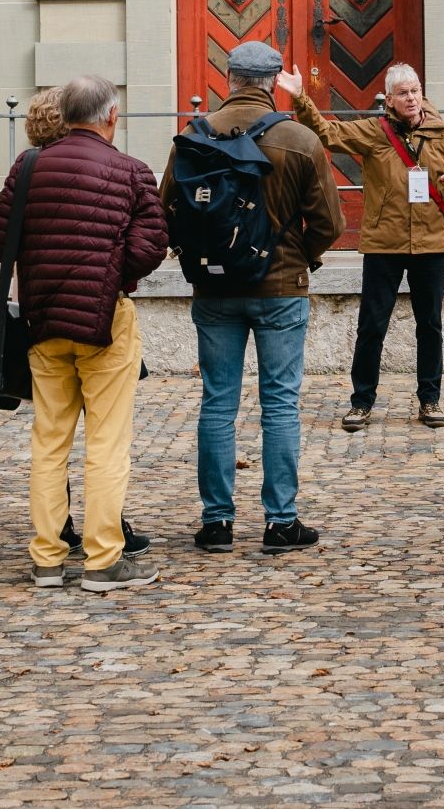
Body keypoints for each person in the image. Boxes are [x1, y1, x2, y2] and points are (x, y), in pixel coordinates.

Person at [0, 75, 169, 592]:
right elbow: (152, 244)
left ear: (65, 115)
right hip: (104, 318)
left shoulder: (28, 166)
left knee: (49, 439)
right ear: (111, 116)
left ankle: (47, 558)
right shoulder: (132, 171)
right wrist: (112, 273)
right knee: (107, 443)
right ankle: (102, 560)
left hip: (43, 317)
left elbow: (1, 237)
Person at [162, 41, 343, 557]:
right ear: (272, 83)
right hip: (281, 288)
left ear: (228, 78)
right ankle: (280, 522)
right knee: (280, 404)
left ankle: (217, 521)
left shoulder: (191, 137)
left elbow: (166, 211)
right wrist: (297, 257)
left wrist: (194, 258)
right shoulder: (300, 140)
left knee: (217, 402)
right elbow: (331, 223)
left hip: (214, 289)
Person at [277, 61, 444, 431]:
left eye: (416, 90)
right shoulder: (374, 131)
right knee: (372, 326)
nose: (413, 98)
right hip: (384, 244)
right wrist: (301, 97)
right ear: (390, 100)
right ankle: (361, 402)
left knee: (430, 325)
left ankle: (430, 399)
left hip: (432, 244)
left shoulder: (441, 130)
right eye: (404, 93)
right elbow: (326, 133)